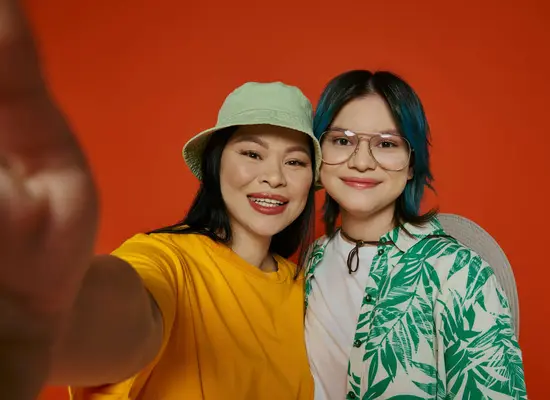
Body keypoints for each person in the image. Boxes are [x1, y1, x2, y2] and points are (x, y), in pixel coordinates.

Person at [0, 1, 320, 399]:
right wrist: (37, 317)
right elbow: (132, 317)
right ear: (216, 166)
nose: (274, 177)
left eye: (295, 161)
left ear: (311, 181)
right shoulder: (170, 261)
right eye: (252, 154)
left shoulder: (309, 292)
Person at [304, 70, 527, 399]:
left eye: (386, 143)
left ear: (411, 164)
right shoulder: (313, 259)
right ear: (319, 152)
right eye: (342, 140)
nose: (362, 161)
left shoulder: (459, 273)